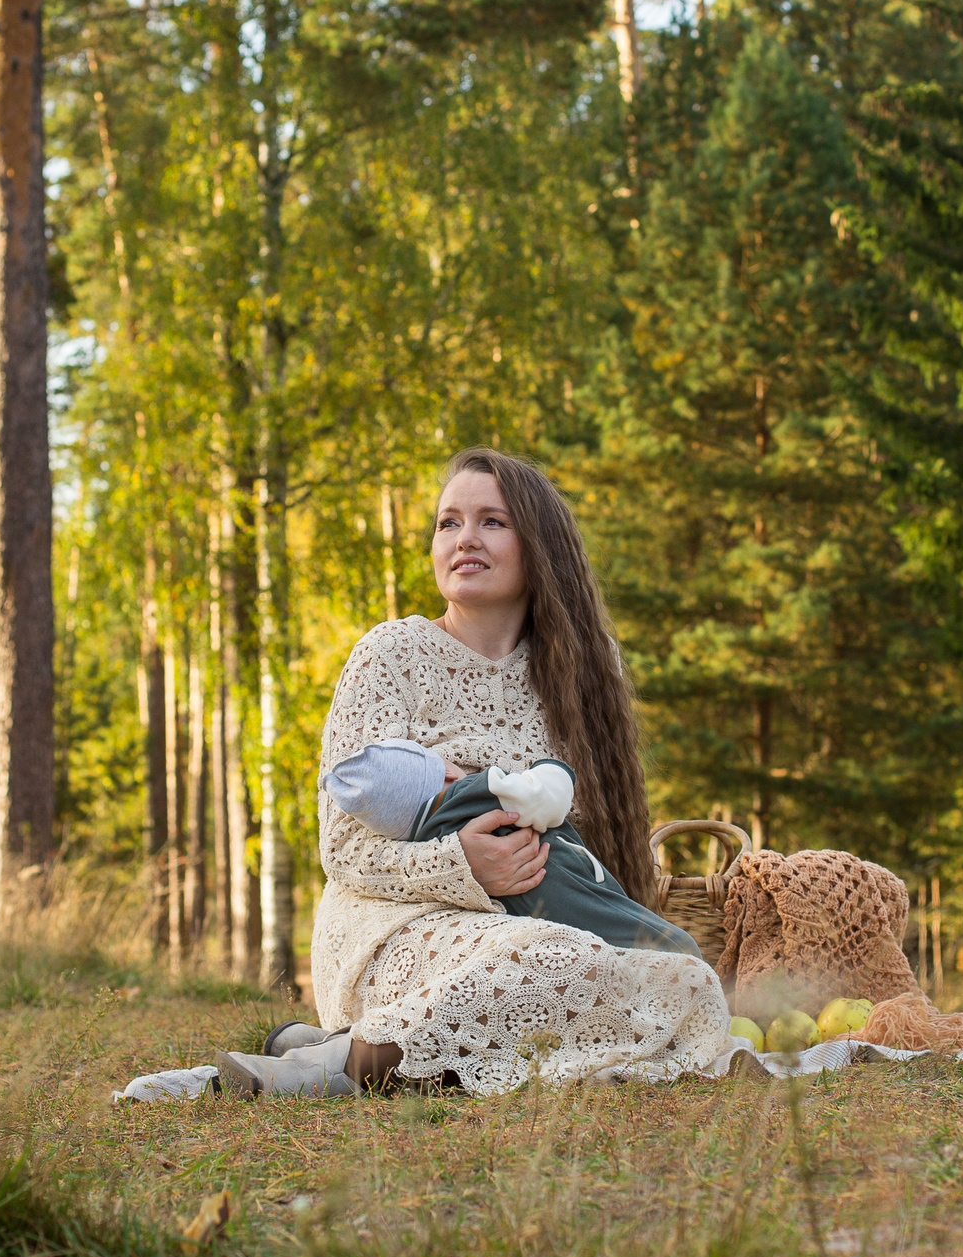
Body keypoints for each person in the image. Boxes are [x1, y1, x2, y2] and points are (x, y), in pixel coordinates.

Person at [209, 448, 741, 1098]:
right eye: (447, 522)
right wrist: (462, 865)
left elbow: (588, 843)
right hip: (393, 927)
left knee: (684, 977)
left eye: (492, 521)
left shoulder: (584, 674)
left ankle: (352, 1046)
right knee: (542, 961)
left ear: (537, 545)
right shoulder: (391, 655)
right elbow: (342, 848)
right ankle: (337, 1063)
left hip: (539, 926)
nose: (464, 538)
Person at [320, 742, 702, 957]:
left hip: (533, 917)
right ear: (448, 773)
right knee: (670, 947)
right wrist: (553, 768)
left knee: (617, 956)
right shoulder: (473, 792)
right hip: (561, 882)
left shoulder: (427, 839)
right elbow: (545, 797)